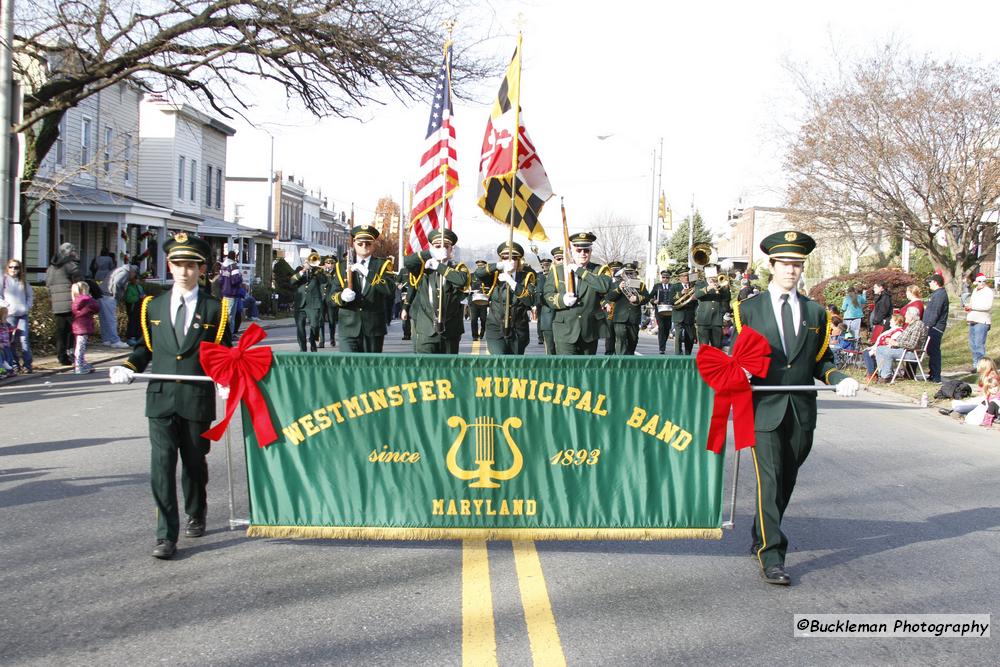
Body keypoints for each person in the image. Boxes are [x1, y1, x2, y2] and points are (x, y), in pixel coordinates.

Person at [732, 230, 859, 586]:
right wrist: (739, 369)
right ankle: (772, 554)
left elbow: (821, 360)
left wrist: (837, 378)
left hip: (801, 409)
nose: (791, 270)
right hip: (764, 408)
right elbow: (739, 355)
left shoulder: (816, 312)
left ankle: (761, 530)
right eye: (785, 263)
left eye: (797, 264)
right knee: (770, 480)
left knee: (787, 478)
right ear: (771, 265)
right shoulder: (748, 309)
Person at [108, 233, 232, 560]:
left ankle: (197, 509)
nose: (184, 271)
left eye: (191, 265)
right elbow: (144, 349)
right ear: (169, 265)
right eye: (178, 264)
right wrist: (127, 366)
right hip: (161, 399)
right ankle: (165, 535)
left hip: (195, 397)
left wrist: (224, 379)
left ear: (201, 268)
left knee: (193, 463)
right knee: (161, 466)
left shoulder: (215, 308)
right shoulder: (153, 306)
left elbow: (223, 354)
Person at [542, 232, 613, 355]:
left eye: (586, 250)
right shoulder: (557, 270)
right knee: (567, 370)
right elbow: (547, 295)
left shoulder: (599, 270)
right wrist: (562, 300)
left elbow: (604, 287)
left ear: (591, 251)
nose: (583, 254)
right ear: (571, 251)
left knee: (586, 371)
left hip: (589, 330)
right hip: (565, 330)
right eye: (579, 250)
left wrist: (579, 270)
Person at [329, 225, 396, 353]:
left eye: (368, 243)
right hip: (348, 326)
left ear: (374, 244)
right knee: (348, 368)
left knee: (370, 370)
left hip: (373, 327)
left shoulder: (382, 265)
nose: (364, 246)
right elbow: (331, 297)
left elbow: (389, 289)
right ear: (354, 244)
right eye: (360, 243)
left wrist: (367, 273)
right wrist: (341, 297)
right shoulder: (341, 266)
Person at [403, 228, 470, 354]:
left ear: (451, 249)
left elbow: (461, 281)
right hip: (426, 329)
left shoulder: (458, 268)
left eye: (446, 246)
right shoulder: (424, 268)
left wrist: (439, 266)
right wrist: (430, 253)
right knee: (425, 370)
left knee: (448, 371)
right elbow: (407, 262)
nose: (442, 249)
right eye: (438, 246)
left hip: (450, 330)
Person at [474, 242, 536, 355]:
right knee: (499, 360)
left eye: (513, 258)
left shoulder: (527, 276)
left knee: (514, 366)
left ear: (519, 261)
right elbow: (478, 273)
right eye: (504, 258)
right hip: (496, 326)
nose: (508, 260)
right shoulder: (495, 275)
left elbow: (530, 300)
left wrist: (512, 282)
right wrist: (497, 266)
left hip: (518, 328)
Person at [46, 242, 83, 366]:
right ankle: (72, 353)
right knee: (74, 331)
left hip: (57, 305)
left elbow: (48, 285)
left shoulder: (51, 268)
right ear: (70, 252)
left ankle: (62, 356)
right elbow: (80, 284)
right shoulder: (71, 265)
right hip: (72, 303)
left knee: (61, 332)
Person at [874, 306, 928, 382]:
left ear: (911, 316)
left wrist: (897, 343)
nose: (905, 316)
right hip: (903, 349)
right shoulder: (911, 325)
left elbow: (912, 345)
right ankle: (882, 374)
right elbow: (901, 339)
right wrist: (891, 341)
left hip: (911, 353)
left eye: (906, 314)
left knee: (887, 352)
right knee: (879, 349)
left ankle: (886, 376)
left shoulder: (918, 325)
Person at [606, 262, 650, 355]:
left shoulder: (640, 285)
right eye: (626, 273)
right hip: (619, 318)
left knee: (632, 342)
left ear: (635, 273)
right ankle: (620, 363)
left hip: (633, 318)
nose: (628, 275)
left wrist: (637, 298)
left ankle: (629, 364)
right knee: (620, 340)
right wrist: (618, 289)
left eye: (631, 273)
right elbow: (610, 297)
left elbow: (647, 297)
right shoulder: (617, 284)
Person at [2, 258, 34, 373]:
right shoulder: (4, 280)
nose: (13, 270)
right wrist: (6, 305)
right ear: (8, 268)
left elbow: (30, 296)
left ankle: (27, 365)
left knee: (24, 339)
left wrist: (27, 306)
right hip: (10, 315)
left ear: (20, 269)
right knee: (11, 341)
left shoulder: (23, 282)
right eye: (11, 267)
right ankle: (14, 364)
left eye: (16, 267)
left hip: (22, 314)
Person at [292, 255, 327, 352]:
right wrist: (303, 270)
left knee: (315, 325)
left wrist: (318, 270)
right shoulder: (298, 270)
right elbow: (292, 281)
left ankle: (312, 340)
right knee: (300, 327)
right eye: (308, 261)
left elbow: (324, 281)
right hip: (300, 303)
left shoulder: (317, 272)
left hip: (313, 303)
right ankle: (302, 348)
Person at [862, 312, 905, 380]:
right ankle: (873, 374)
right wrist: (873, 347)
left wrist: (878, 349)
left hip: (887, 350)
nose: (890, 321)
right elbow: (879, 340)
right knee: (866, 352)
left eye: (892, 320)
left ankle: (872, 374)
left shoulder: (899, 331)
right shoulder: (890, 330)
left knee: (868, 353)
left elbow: (891, 342)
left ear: (896, 321)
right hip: (880, 348)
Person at [923, 274, 950, 383]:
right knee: (931, 351)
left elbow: (935, 312)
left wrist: (928, 325)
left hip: (935, 327)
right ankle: (932, 374)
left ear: (935, 282)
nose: (929, 284)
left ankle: (936, 376)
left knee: (934, 352)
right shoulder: (936, 294)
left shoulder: (940, 295)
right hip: (932, 326)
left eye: (930, 282)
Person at [694, 269, 731, 348]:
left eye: (714, 275)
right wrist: (708, 288)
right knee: (704, 347)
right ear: (707, 275)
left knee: (717, 346)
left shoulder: (721, 285)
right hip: (703, 319)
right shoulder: (700, 284)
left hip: (716, 320)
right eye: (711, 276)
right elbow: (697, 295)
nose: (713, 278)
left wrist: (724, 288)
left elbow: (726, 299)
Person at [536, 249, 563, 355]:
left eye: (563, 258)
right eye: (558, 259)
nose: (561, 261)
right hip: (548, 314)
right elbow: (539, 295)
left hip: (568, 320)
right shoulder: (542, 276)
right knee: (551, 350)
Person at [70, 281, 100, 374]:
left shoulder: (76, 300)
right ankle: (79, 366)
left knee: (79, 345)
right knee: (81, 347)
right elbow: (97, 307)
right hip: (85, 325)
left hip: (77, 325)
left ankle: (81, 363)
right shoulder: (88, 300)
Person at [965, 273, 994, 369]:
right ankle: (975, 364)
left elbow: (987, 306)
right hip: (972, 319)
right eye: (979, 281)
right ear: (976, 282)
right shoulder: (975, 291)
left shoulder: (988, 291)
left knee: (979, 345)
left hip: (982, 321)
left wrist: (972, 307)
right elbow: (972, 303)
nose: (981, 283)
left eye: (983, 281)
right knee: (972, 344)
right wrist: (968, 307)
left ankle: (981, 366)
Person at [671, 270, 698, 355]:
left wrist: (695, 298)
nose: (686, 277)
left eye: (687, 276)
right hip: (678, 314)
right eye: (683, 276)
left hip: (689, 314)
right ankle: (678, 354)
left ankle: (688, 354)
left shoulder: (694, 286)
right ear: (680, 278)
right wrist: (681, 293)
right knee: (678, 336)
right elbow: (670, 300)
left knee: (690, 336)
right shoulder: (675, 287)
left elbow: (697, 302)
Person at [649, 270, 674, 355]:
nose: (665, 279)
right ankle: (661, 348)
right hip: (659, 310)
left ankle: (664, 343)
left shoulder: (672, 286)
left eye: (667, 277)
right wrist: (654, 301)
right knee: (662, 327)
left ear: (669, 278)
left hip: (669, 310)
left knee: (668, 327)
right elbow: (650, 296)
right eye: (663, 277)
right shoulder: (657, 286)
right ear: (661, 277)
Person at [219, 251, 243, 335]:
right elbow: (235, 280)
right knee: (231, 316)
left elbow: (221, 280)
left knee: (226, 314)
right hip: (232, 293)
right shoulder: (234, 266)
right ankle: (230, 334)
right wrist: (240, 277)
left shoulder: (223, 266)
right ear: (234, 257)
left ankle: (226, 333)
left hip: (225, 292)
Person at [602, 261, 623, 355]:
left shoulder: (624, 282)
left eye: (617, 269)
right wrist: (605, 304)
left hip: (621, 311)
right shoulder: (606, 282)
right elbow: (600, 296)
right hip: (609, 311)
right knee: (609, 336)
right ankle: (609, 356)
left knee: (620, 336)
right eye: (613, 269)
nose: (615, 271)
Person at [318, 256, 338, 348]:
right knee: (320, 320)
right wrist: (322, 271)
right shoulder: (320, 272)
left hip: (331, 299)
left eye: (331, 263)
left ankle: (332, 338)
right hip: (321, 299)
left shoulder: (336, 273)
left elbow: (334, 284)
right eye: (328, 263)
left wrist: (330, 273)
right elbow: (319, 281)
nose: (329, 265)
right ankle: (321, 341)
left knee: (332, 321)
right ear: (324, 264)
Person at [468, 259, 489, 342]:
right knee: (474, 319)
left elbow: (490, 287)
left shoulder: (487, 277)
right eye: (479, 266)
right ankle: (474, 336)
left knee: (483, 319)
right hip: (474, 300)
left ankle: (482, 332)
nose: (480, 267)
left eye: (482, 266)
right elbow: (467, 286)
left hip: (483, 300)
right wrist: (470, 290)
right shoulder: (471, 276)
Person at [123, 267, 145, 346]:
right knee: (132, 322)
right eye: (134, 279)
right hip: (133, 308)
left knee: (139, 323)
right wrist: (138, 298)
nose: (136, 281)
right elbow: (128, 299)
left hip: (139, 308)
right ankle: (131, 337)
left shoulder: (139, 287)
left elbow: (143, 294)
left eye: (137, 279)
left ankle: (139, 336)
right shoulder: (129, 288)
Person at [535, 256, 552, 345]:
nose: (545, 266)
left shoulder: (553, 275)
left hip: (551, 299)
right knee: (540, 320)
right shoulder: (538, 275)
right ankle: (540, 337)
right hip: (540, 301)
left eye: (547, 265)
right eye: (544, 265)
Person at [0, 306, 14, 377]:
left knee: (10, 357)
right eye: (5, 314)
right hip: (2, 344)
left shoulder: (6, 324)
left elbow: (9, 332)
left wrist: (10, 338)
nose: (7, 315)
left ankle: (10, 371)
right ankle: (4, 371)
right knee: (4, 358)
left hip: (7, 343)